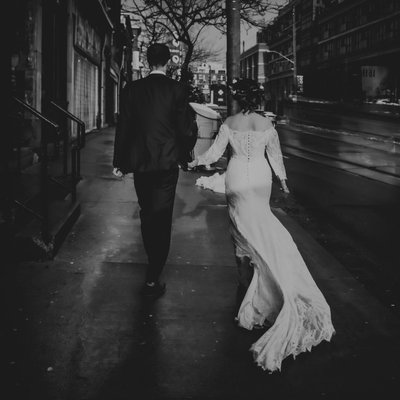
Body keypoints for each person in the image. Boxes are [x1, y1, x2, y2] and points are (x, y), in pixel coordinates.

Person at [188, 78, 335, 372]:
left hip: (237, 177)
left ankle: (246, 282)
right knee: (261, 224)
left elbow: (215, 155)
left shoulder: (230, 121)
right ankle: (266, 277)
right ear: (258, 98)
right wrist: (282, 179)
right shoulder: (267, 125)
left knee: (241, 231)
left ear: (240, 99)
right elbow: (275, 156)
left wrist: (195, 162)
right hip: (260, 177)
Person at [113, 43, 197, 298]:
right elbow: (184, 129)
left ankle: (152, 262)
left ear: (148, 61)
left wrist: (120, 162)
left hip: (141, 164)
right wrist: (185, 157)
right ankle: (153, 273)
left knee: (147, 213)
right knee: (162, 217)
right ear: (168, 61)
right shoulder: (177, 90)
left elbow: (124, 126)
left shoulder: (132, 89)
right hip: (167, 163)